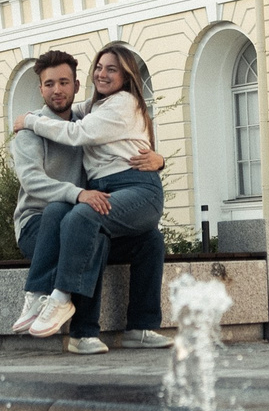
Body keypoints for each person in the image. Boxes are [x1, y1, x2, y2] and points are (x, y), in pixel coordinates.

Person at [12, 42, 174, 353]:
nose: (57, 90)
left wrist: (160, 160)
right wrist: (80, 194)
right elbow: (33, 182)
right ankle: (76, 327)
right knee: (76, 218)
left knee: (149, 240)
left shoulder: (88, 116)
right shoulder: (31, 129)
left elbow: (84, 134)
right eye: (49, 84)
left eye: (63, 82)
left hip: (87, 208)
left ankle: (140, 327)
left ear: (75, 85)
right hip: (40, 223)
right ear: (40, 88)